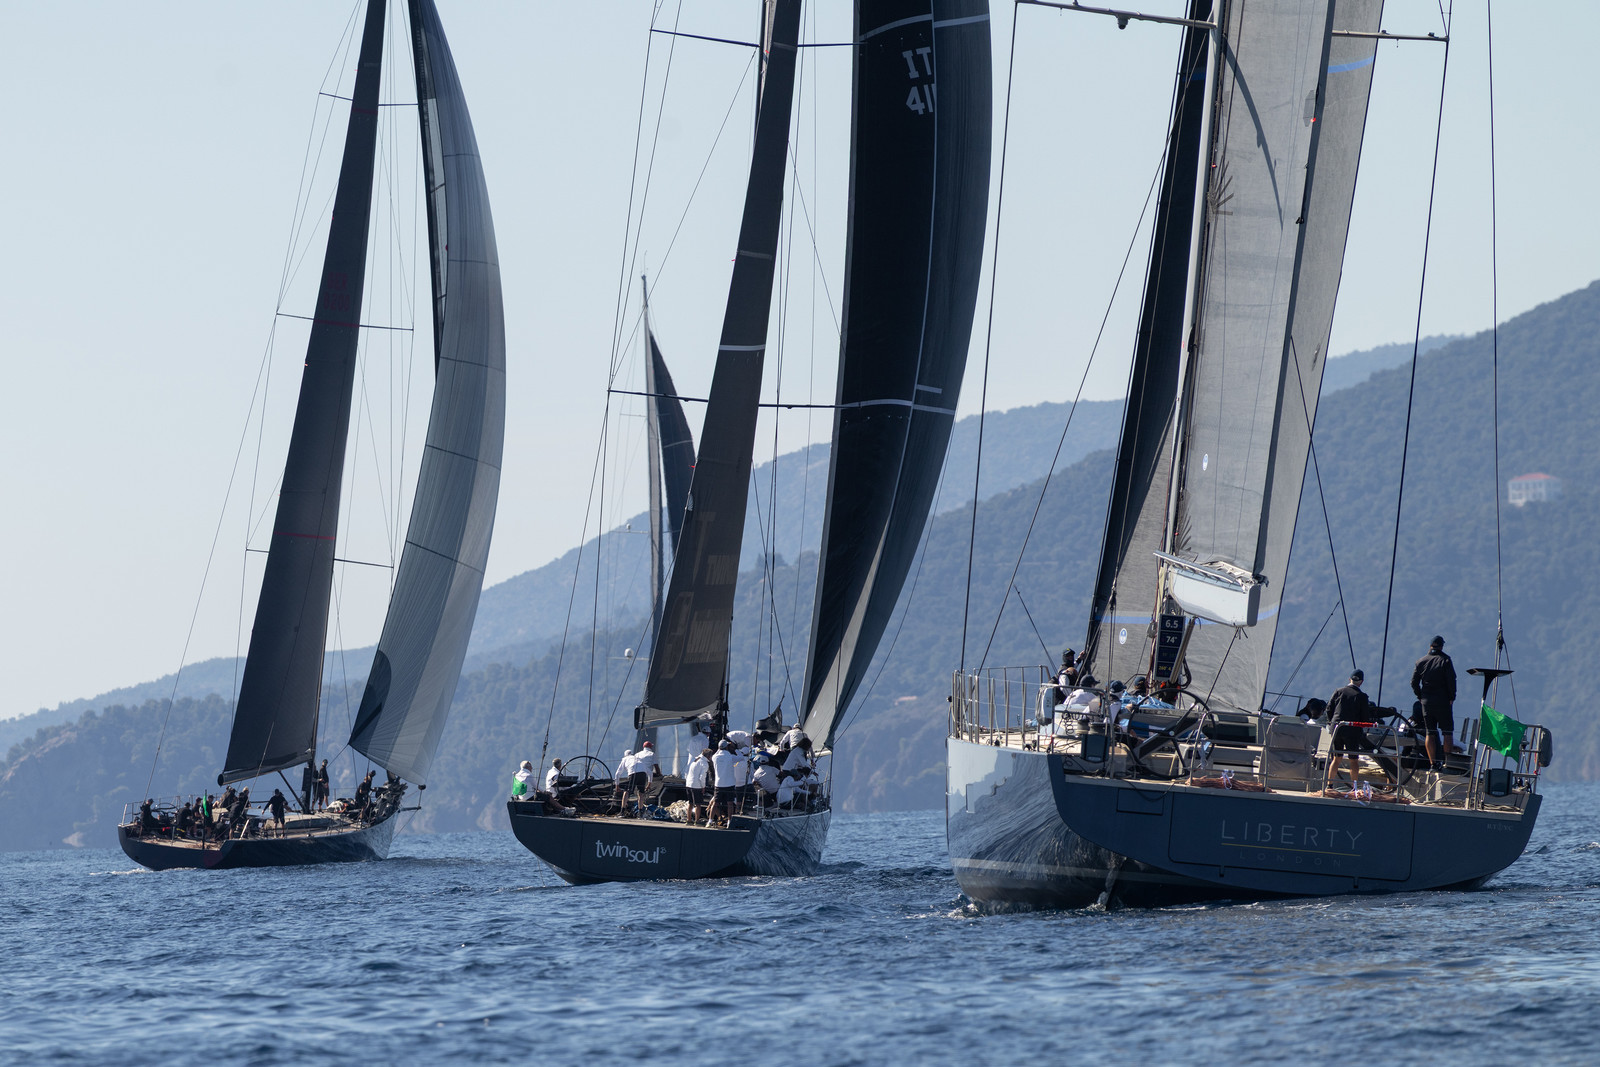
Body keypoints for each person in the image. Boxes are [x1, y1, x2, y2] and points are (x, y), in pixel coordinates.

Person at [1324, 669, 1399, 789]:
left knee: (1336, 758)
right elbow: (1365, 718)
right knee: (1353, 760)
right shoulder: (1362, 696)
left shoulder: (1338, 691)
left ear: (1349, 679)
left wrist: (1332, 723)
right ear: (1361, 682)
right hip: (1352, 731)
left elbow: (1328, 709)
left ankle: (1329, 785)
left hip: (1337, 728)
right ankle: (1354, 787)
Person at [1411, 634, 1460, 772]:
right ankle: (1446, 763)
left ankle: (1433, 764)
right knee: (1447, 732)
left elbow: (1413, 682)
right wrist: (1452, 697)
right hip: (1443, 700)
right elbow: (1451, 680)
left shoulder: (1420, 661)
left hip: (1426, 701)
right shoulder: (1445, 660)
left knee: (1430, 733)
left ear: (1430, 646)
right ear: (1442, 646)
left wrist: (1420, 696)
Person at [708, 740, 738, 825]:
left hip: (719, 784)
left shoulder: (715, 757)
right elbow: (741, 757)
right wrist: (736, 750)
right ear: (727, 747)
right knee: (730, 804)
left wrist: (719, 748)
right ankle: (729, 821)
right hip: (729, 784)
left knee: (715, 803)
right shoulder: (731, 757)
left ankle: (710, 820)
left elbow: (717, 752)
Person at [685, 747, 712, 824]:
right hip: (696, 785)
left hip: (689, 784)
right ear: (708, 756)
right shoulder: (704, 763)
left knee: (690, 803)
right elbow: (702, 777)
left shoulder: (695, 760)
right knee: (698, 804)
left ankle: (689, 820)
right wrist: (703, 786)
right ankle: (697, 821)